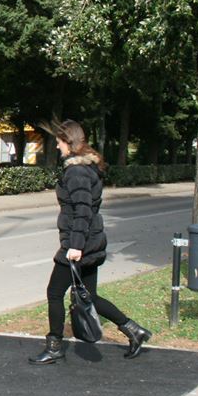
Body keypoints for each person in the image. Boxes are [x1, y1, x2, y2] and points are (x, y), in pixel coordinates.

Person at [29, 120, 152, 364]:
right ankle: (134, 331)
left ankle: (54, 347)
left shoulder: (76, 171)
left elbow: (83, 210)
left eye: (59, 141)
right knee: (90, 296)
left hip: (80, 244)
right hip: (90, 241)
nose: (57, 145)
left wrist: (75, 246)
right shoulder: (86, 167)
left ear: (68, 141)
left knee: (54, 293)